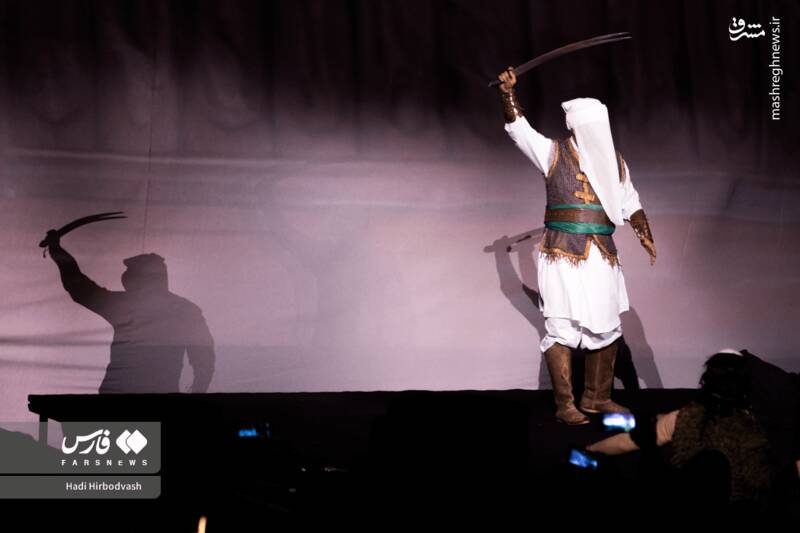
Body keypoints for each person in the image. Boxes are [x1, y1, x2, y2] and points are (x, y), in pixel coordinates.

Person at [496, 67, 656, 424]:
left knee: (607, 325)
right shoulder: (552, 153)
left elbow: (630, 201)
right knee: (562, 326)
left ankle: (597, 398)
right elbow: (520, 130)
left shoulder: (615, 162)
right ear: (578, 127)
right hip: (562, 255)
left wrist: (644, 232)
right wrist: (508, 95)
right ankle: (565, 405)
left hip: (602, 256)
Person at [587, 352, 777, 504]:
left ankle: (619, 421)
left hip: (692, 495)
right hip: (736, 501)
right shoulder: (753, 424)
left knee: (656, 423)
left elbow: (628, 442)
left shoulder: (688, 417)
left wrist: (587, 452)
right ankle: (621, 421)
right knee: (656, 420)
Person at [42, 230, 215, 393]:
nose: (126, 277)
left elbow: (79, 287)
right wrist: (197, 393)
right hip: (156, 398)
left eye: (131, 272)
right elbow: (204, 359)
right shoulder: (185, 311)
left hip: (122, 397)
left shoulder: (125, 306)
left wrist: (57, 250)